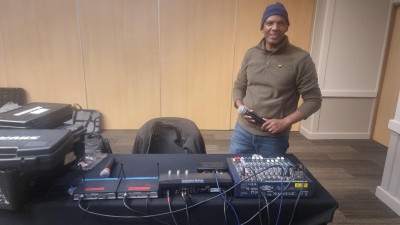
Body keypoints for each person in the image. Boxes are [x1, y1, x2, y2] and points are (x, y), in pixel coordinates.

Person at [229, 2, 322, 156]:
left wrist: (285, 122)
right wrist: (240, 106)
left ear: (287, 27)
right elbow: (239, 85)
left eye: (281, 23)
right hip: (242, 132)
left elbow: (314, 100)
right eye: (269, 23)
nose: (274, 28)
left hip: (273, 138)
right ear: (262, 27)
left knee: (270, 179)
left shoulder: (301, 59)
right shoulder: (251, 54)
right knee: (236, 175)